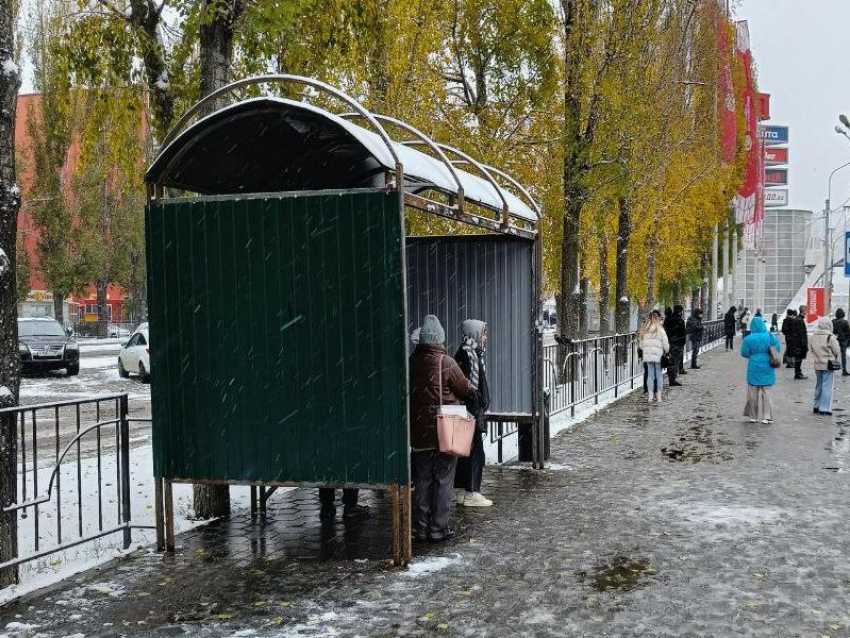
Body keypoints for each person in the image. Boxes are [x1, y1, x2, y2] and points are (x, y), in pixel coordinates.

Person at [409, 315, 474, 542]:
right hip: (444, 429)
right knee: (444, 479)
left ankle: (420, 527)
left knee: (423, 480)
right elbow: (465, 388)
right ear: (439, 339)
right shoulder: (445, 362)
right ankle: (438, 529)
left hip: (419, 432)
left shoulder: (411, 362)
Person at [453, 320, 492, 508]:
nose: (485, 337)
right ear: (475, 333)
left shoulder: (472, 353)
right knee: (474, 452)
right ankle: (471, 492)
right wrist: (476, 401)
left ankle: (464, 491)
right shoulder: (468, 355)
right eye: (483, 333)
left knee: (467, 452)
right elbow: (465, 386)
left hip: (470, 411)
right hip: (470, 413)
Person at [741, 316, 781, 424]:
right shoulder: (769, 336)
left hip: (753, 366)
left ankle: (753, 416)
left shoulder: (748, 338)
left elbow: (744, 353)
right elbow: (778, 349)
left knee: (752, 393)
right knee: (766, 393)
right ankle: (766, 416)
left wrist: (753, 355)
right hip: (768, 365)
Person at [809, 316, 841, 415]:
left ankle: (816, 405)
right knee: (827, 386)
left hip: (817, 364)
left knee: (819, 385)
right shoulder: (830, 337)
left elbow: (811, 350)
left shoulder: (813, 336)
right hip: (828, 364)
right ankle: (824, 408)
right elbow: (836, 351)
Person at [639, 310, 669, 403]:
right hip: (658, 356)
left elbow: (641, 345)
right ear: (658, 318)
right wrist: (666, 351)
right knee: (659, 375)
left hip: (648, 356)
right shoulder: (660, 329)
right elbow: (665, 344)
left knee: (650, 375)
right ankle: (659, 395)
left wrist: (647, 350)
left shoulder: (645, 329)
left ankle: (650, 395)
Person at [664, 305, 686, 384]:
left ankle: (671, 376)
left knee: (670, 360)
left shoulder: (668, 319)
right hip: (677, 342)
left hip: (669, 342)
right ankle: (672, 379)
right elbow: (682, 332)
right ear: (680, 311)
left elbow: (665, 330)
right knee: (675, 361)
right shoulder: (680, 320)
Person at [789, 305, 809, 380]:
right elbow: (801, 334)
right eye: (806, 310)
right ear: (803, 310)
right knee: (799, 358)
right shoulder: (799, 320)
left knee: (799, 358)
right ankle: (798, 373)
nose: (806, 311)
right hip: (799, 344)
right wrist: (804, 344)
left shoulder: (798, 319)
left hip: (797, 343)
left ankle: (798, 372)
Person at [832, 308, 850, 376]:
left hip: (834, 340)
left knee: (834, 354)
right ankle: (844, 370)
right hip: (843, 340)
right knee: (843, 355)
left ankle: (832, 368)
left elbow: (831, 331)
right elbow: (848, 333)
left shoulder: (832, 321)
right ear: (843, 314)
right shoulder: (845, 322)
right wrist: (848, 341)